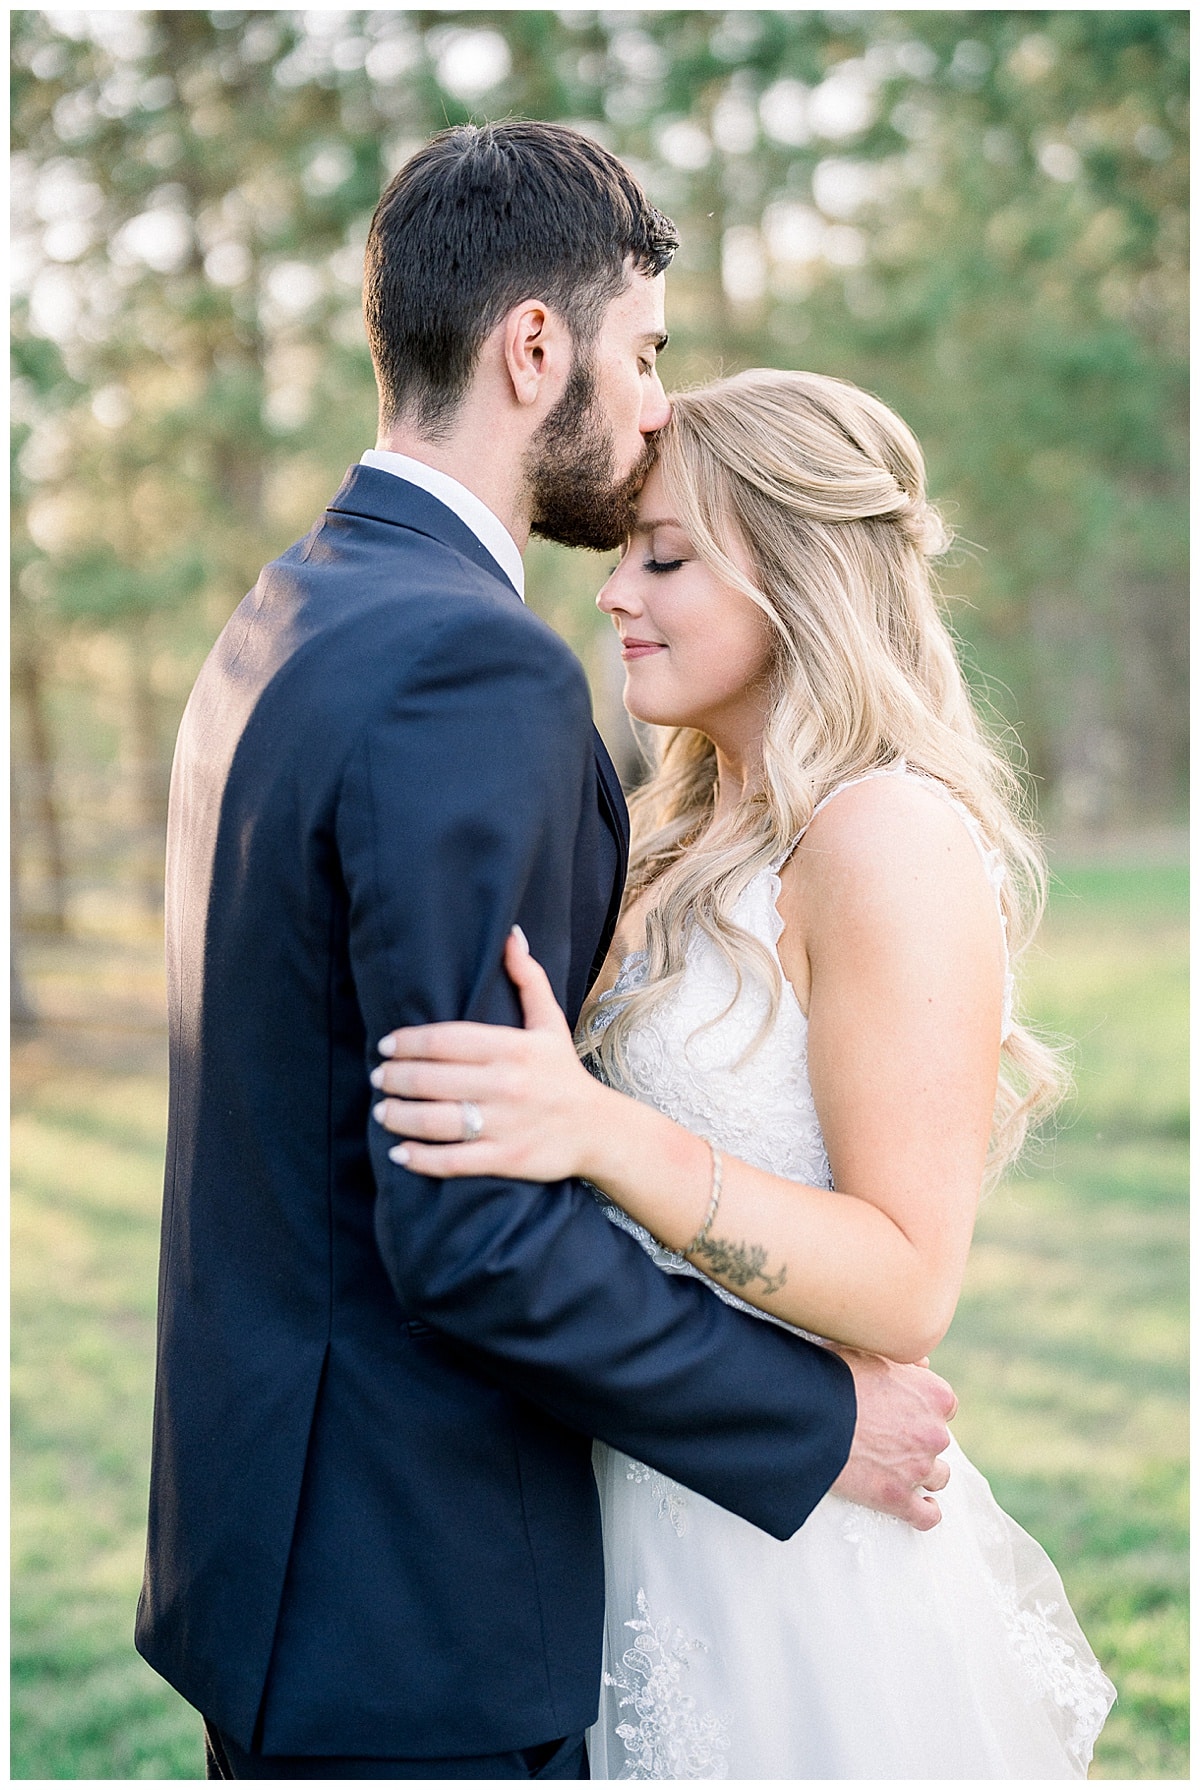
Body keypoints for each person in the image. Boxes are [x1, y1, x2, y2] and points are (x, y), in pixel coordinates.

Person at [136, 125, 958, 1781]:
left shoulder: (289, 608)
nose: (655, 403)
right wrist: (814, 1421)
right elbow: (473, 1229)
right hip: (411, 1594)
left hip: (295, 1551)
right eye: (643, 352)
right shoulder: (468, 663)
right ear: (535, 346)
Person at [372, 367, 1118, 1777]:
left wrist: (599, 1131)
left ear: (800, 575)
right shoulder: (675, 835)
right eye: (619, 559)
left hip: (805, 1566)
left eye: (666, 556)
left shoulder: (884, 836)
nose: (613, 593)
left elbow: (910, 1281)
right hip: (643, 1516)